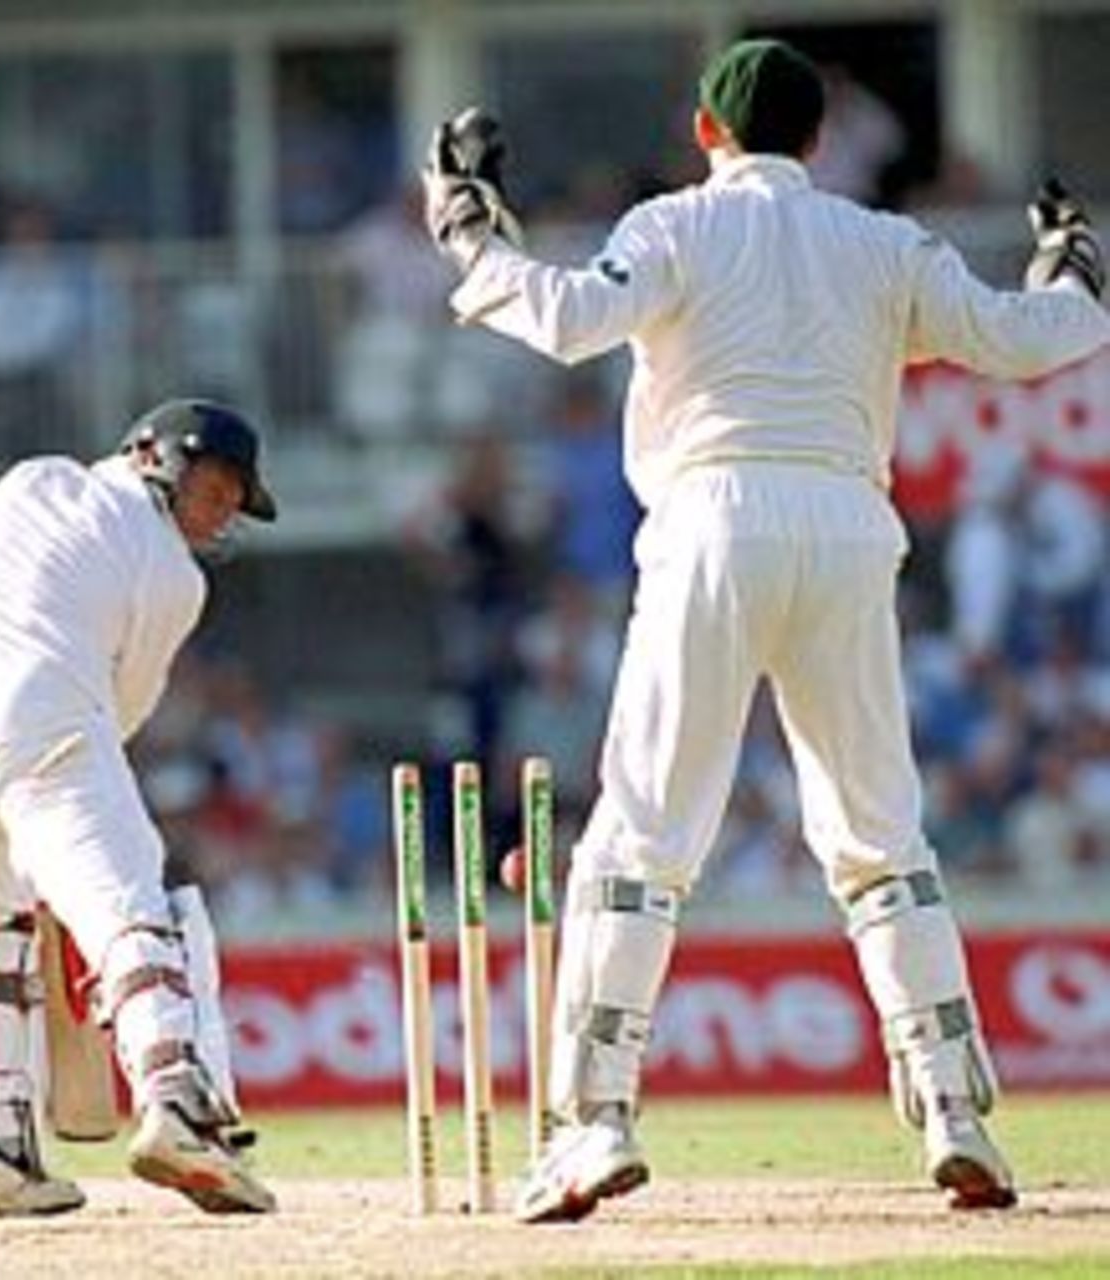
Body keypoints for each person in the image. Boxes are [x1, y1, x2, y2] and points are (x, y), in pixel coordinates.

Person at [422, 40, 1109, 1223]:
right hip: (848, 524)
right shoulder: (883, 243)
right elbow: (1021, 338)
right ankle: (955, 1111)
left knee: (640, 832)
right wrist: (1072, 270)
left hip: (709, 519)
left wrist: (470, 234)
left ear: (705, 132)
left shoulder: (678, 224)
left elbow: (572, 316)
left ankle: (593, 1122)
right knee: (878, 831)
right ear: (818, 140)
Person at [0, 399, 280, 1218]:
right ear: (155, 457)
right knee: (130, 910)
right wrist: (59, 842)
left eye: (234, 500)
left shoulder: (29, 480)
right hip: (39, 731)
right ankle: (176, 1104)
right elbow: (115, 716)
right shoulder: (175, 575)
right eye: (217, 487)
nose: (222, 511)